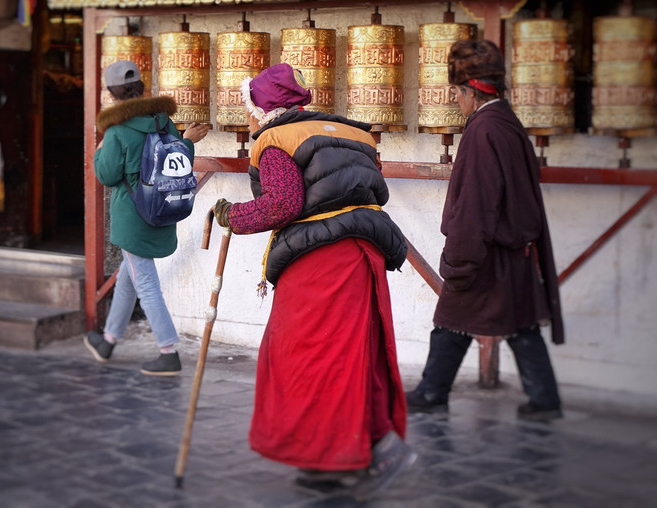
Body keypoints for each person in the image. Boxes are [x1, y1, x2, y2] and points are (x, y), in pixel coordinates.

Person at [213, 63, 415, 499]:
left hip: (324, 261)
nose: (247, 117)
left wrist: (234, 215)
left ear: (264, 107)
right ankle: (350, 452)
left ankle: (339, 455)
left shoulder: (275, 139)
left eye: (248, 107)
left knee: (308, 357)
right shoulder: (351, 131)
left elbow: (282, 204)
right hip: (364, 252)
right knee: (351, 354)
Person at [405, 40, 565, 421]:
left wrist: (460, 259)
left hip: (487, 252)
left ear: (469, 91)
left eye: (457, 93)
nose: (456, 101)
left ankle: (432, 392)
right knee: (518, 323)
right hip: (513, 250)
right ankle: (543, 400)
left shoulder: (483, 131)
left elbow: (476, 203)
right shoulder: (506, 123)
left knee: (451, 320)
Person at [84, 60, 209, 376]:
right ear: (140, 87)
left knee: (146, 283)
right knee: (129, 278)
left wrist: (100, 149)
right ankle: (108, 341)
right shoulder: (161, 120)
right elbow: (176, 163)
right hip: (160, 208)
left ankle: (168, 352)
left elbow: (107, 176)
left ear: (112, 94)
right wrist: (189, 141)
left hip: (132, 216)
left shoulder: (117, 129)